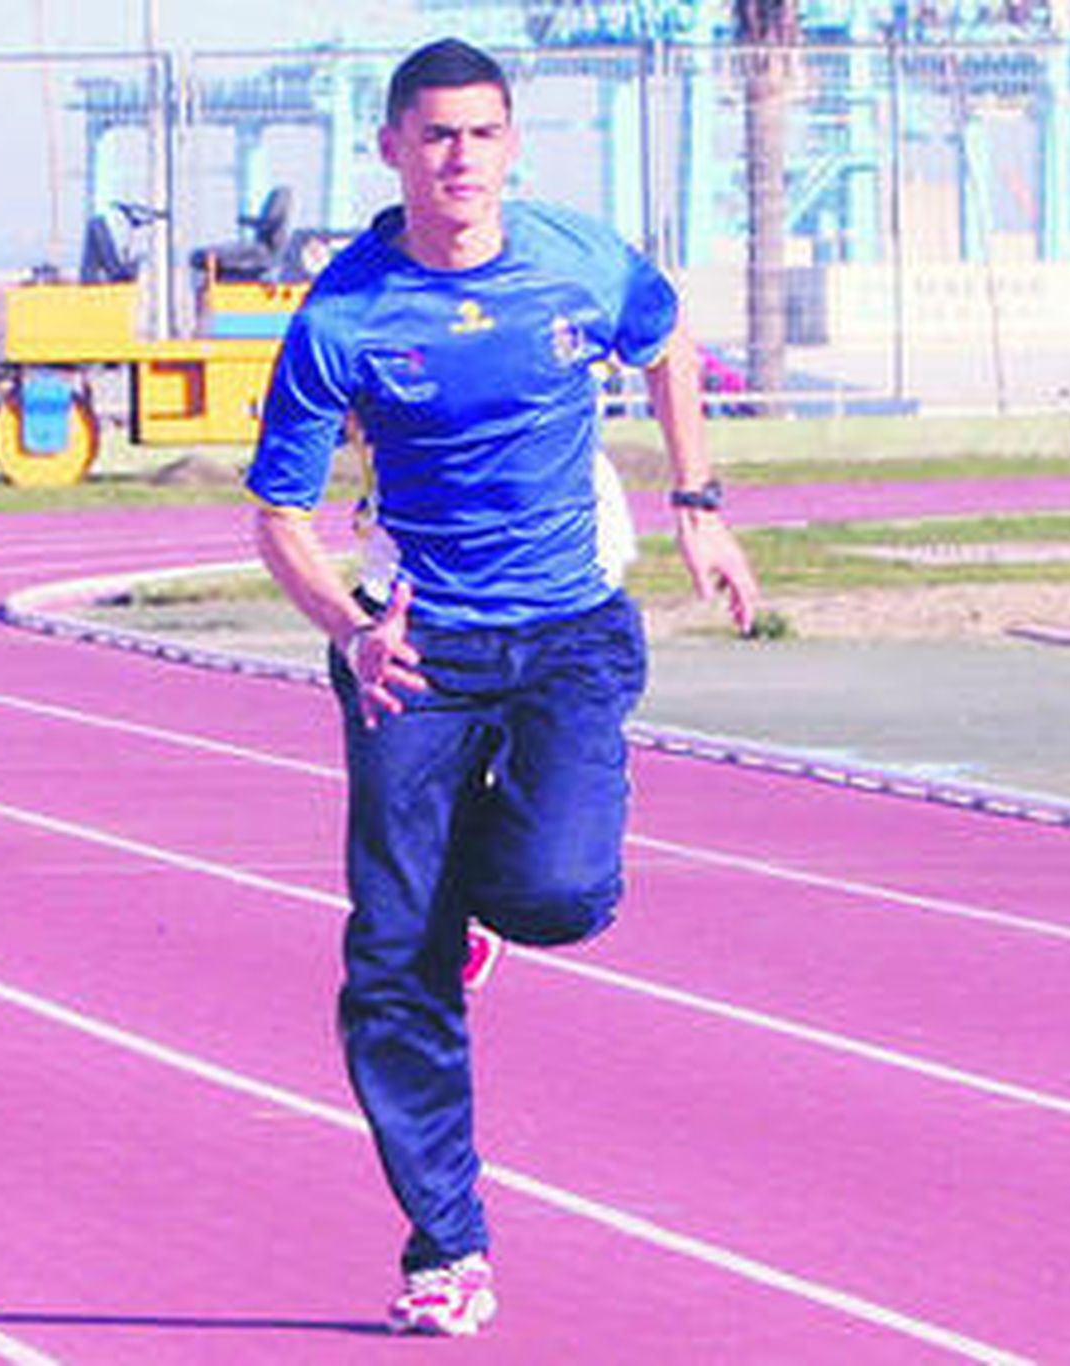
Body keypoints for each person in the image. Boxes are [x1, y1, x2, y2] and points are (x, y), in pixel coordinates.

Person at [246, 37, 760, 1337]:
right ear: (391, 151)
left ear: (512, 143)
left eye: (482, 133)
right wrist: (352, 630)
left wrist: (696, 503)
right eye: (435, 135)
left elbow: (671, 345)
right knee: (388, 955)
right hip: (416, 657)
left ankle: (483, 902)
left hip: (571, 633)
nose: (460, 157)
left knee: (562, 892)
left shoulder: (577, 260)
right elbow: (282, 519)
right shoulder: (344, 317)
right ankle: (446, 1243)